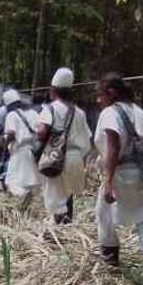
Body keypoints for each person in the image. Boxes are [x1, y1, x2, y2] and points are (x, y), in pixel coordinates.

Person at [93, 73, 143, 285]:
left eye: (100, 95)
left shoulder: (110, 112)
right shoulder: (138, 111)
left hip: (122, 173)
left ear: (111, 93)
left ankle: (110, 263)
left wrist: (108, 181)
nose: (98, 100)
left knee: (104, 214)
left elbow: (113, 146)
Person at [35, 68, 91, 224]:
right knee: (68, 196)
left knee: (55, 201)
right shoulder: (79, 112)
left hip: (56, 158)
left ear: (53, 91)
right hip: (76, 159)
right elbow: (87, 139)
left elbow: (41, 132)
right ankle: (67, 227)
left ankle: (57, 231)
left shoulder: (50, 108)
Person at [4, 90, 40, 199]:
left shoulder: (11, 115)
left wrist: (5, 143)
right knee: (32, 180)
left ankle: (24, 195)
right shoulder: (33, 113)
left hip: (19, 151)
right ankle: (28, 200)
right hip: (34, 150)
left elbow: (11, 133)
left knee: (12, 182)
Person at [0, 91, 16, 189]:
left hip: (1, 137)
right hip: (13, 138)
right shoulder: (16, 111)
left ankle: (2, 179)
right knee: (10, 158)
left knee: (2, 158)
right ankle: (7, 179)